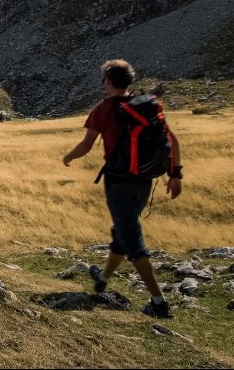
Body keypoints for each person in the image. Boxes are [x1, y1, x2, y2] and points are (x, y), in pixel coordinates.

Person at [62, 59, 183, 318]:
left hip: (118, 183)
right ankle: (103, 278)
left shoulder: (105, 109)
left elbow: (86, 145)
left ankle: (159, 303)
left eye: (103, 79)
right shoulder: (148, 106)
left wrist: (68, 157)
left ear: (107, 81)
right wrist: (175, 174)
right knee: (122, 232)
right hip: (144, 181)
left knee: (133, 241)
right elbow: (172, 140)